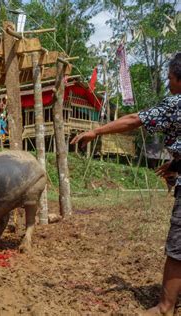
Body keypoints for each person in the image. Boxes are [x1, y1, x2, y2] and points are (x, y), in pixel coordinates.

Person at [71, 52, 181, 315]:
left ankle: (165, 307)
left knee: (177, 246)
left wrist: (95, 131)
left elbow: (135, 120)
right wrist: (177, 165)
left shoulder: (177, 103)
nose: (168, 84)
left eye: (170, 79)